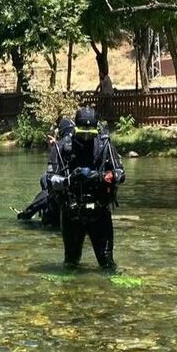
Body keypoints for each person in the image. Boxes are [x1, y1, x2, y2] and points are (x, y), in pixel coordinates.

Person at [49, 107, 125, 269]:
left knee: (106, 261)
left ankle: (113, 286)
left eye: (90, 135)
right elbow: (49, 180)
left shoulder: (105, 144)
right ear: (75, 128)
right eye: (82, 133)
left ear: (96, 130)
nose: (85, 138)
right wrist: (69, 179)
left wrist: (100, 177)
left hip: (100, 211)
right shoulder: (62, 147)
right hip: (72, 213)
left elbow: (120, 174)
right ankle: (68, 290)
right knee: (71, 261)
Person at [16, 117, 74, 227]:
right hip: (79, 188)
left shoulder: (60, 146)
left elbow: (50, 177)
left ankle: (27, 213)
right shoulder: (83, 145)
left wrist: (55, 146)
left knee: (45, 182)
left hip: (65, 190)